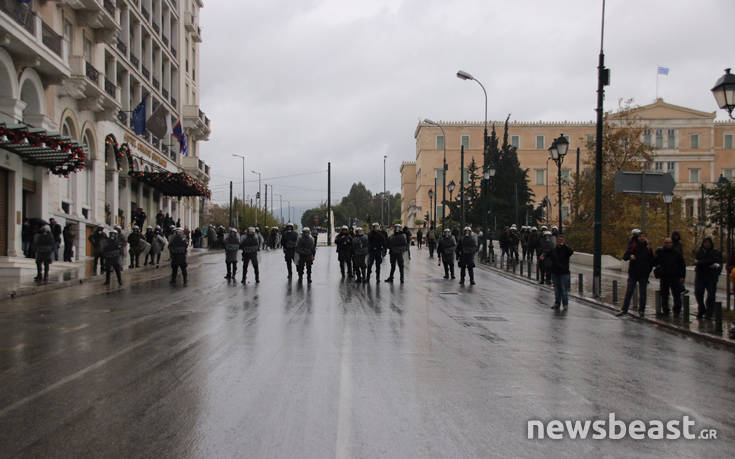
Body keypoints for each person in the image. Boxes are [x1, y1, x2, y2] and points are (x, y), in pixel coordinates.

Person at [617, 232, 654, 317]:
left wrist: (648, 271)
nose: (642, 238)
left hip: (643, 274)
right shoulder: (633, 246)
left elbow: (652, 261)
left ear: (646, 238)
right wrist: (630, 256)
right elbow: (625, 256)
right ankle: (624, 309)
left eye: (643, 237)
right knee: (629, 291)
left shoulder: (648, 248)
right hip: (633, 273)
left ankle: (641, 310)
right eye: (640, 237)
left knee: (643, 293)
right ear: (638, 238)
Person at [653, 237, 686, 316]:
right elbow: (654, 262)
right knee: (664, 295)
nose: (668, 244)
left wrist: (682, 276)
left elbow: (682, 265)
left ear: (672, 243)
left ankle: (677, 311)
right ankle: (665, 310)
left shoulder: (677, 253)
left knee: (676, 295)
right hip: (664, 277)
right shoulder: (661, 253)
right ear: (664, 244)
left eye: (669, 243)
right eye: (666, 243)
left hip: (675, 276)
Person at [694, 237, 722, 320]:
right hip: (700, 276)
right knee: (698, 292)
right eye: (705, 242)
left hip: (711, 277)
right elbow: (697, 263)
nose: (707, 244)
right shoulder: (699, 253)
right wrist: (705, 263)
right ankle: (701, 308)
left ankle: (709, 312)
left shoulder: (715, 252)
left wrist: (701, 263)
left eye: (708, 242)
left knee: (711, 295)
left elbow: (717, 262)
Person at [546, 234, 574, 309]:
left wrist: (564, 245)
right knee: (556, 289)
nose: (560, 241)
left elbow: (571, 252)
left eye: (561, 240)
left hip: (564, 273)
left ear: (564, 241)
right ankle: (557, 303)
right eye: (558, 240)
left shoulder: (566, 249)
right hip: (555, 272)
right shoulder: (554, 249)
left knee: (563, 289)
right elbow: (548, 255)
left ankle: (565, 305)